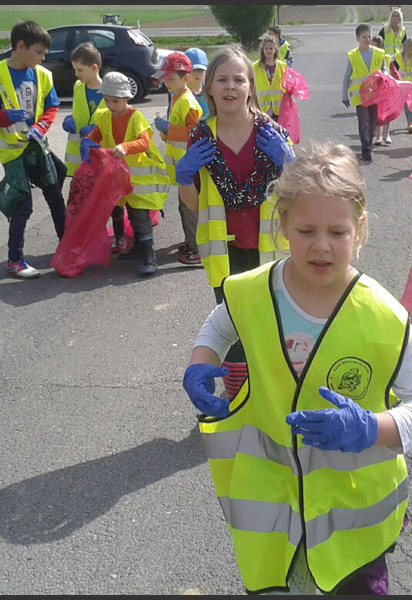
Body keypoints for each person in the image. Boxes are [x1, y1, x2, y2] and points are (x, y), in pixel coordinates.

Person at [182, 142, 412, 595]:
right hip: (271, 508)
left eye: (337, 232)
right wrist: (200, 363)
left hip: (352, 518)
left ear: (359, 229)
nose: (321, 246)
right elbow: (217, 327)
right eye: (306, 230)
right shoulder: (251, 293)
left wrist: (373, 428)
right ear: (282, 223)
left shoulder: (383, 317)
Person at [176, 45, 294, 400]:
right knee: (231, 329)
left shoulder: (271, 133)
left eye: (238, 79)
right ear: (208, 87)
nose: (230, 86)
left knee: (272, 326)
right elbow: (192, 203)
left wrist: (291, 165)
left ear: (250, 87)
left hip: (270, 250)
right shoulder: (200, 136)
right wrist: (184, 176)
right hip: (224, 252)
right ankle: (236, 397)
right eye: (221, 79)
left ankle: (274, 394)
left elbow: (301, 197)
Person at [0, 20, 66, 279]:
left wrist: (42, 127)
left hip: (37, 146)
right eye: (39, 52)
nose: (43, 57)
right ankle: (15, 260)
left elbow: (52, 106)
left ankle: (68, 247)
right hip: (12, 152)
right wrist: (4, 116)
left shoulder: (43, 75)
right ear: (21, 46)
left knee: (55, 195)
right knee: (22, 205)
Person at [80, 71, 170, 276]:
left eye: (115, 101)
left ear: (127, 98)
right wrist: (88, 140)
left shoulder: (135, 116)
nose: (110, 105)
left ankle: (150, 256)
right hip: (119, 177)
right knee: (127, 210)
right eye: (107, 100)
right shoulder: (103, 116)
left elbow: (145, 141)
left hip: (139, 178)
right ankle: (137, 248)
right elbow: (97, 133)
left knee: (139, 214)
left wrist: (126, 147)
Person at [152, 52, 204, 266]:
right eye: (165, 79)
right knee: (184, 206)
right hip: (181, 165)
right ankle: (191, 242)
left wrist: (169, 130)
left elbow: (195, 133)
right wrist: (166, 132)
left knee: (190, 207)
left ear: (186, 78)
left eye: (171, 79)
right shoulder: (176, 97)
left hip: (189, 167)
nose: (166, 83)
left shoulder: (187, 101)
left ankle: (198, 248)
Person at [341, 23, 388, 162]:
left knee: (373, 121)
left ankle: (370, 140)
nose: (367, 39)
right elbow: (347, 76)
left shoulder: (379, 53)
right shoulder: (353, 55)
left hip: (374, 95)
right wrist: (344, 95)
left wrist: (383, 75)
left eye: (369, 36)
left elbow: (384, 69)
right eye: (364, 37)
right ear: (357, 38)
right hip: (359, 96)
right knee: (364, 122)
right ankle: (365, 148)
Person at [61, 42, 104, 179]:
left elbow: (115, 123)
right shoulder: (78, 87)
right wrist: (69, 119)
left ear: (94, 68)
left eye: (80, 70)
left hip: (99, 160)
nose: (76, 74)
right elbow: (80, 112)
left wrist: (97, 129)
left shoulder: (110, 92)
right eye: (74, 69)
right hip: (77, 164)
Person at [252, 37, 287, 123]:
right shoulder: (254, 67)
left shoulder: (282, 66)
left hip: (279, 110)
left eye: (271, 48)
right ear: (262, 50)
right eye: (266, 48)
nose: (268, 51)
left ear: (275, 50)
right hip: (261, 109)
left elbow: (288, 86)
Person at [370, 35, 392, 146]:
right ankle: (378, 136)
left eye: (376, 46)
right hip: (373, 88)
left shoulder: (386, 57)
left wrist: (385, 75)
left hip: (385, 86)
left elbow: (389, 70)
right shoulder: (369, 56)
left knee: (386, 112)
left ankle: (386, 134)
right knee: (376, 113)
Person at [185, 47, 210, 118]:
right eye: (193, 70)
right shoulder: (179, 93)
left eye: (200, 70)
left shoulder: (210, 91)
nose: (197, 74)